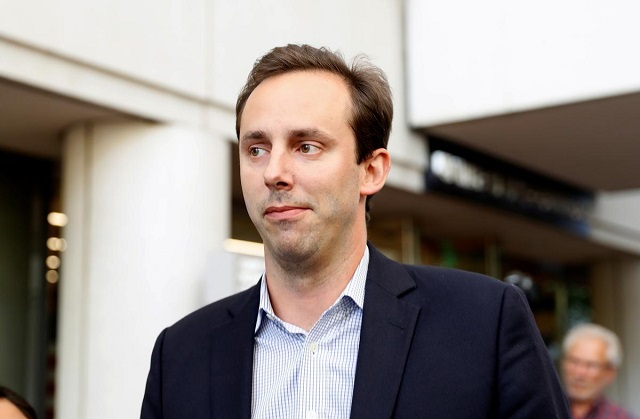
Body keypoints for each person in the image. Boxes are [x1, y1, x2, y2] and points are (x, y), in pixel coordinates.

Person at [141, 44, 570, 418]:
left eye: (306, 146)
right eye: (256, 149)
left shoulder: (482, 323)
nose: (274, 172)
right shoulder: (180, 354)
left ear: (371, 170)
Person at [561, 323, 637, 419]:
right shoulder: (541, 410)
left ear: (610, 373)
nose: (579, 373)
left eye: (591, 365)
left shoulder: (620, 417)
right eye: (574, 362)